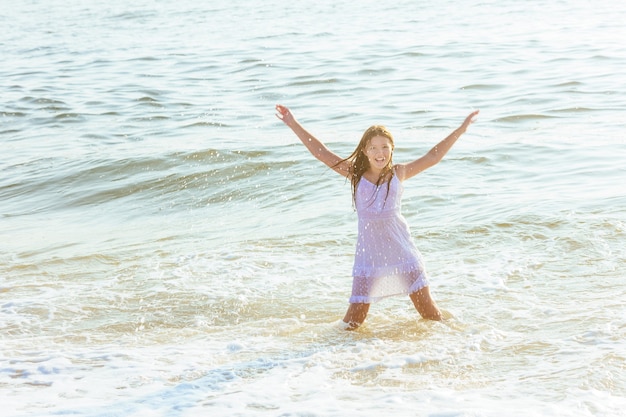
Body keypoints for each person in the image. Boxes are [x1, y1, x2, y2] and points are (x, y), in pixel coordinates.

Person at [275, 104, 479, 329]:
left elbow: (433, 157)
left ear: (392, 149)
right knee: (354, 320)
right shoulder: (355, 174)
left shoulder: (397, 174)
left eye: (384, 147)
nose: (379, 153)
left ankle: (458, 339)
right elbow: (322, 154)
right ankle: (331, 353)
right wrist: (293, 124)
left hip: (402, 251)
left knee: (429, 312)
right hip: (369, 255)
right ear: (364, 151)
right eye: (373, 148)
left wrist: (462, 129)